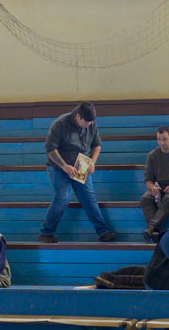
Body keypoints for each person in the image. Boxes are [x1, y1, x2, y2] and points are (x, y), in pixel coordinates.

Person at [41, 101, 116, 243]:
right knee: (63, 197)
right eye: (86, 122)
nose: (88, 125)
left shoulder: (91, 123)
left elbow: (97, 145)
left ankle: (103, 231)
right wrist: (64, 166)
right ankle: (46, 232)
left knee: (88, 197)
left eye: (91, 122)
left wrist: (92, 162)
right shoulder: (60, 124)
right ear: (78, 116)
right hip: (59, 165)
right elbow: (50, 149)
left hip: (81, 163)